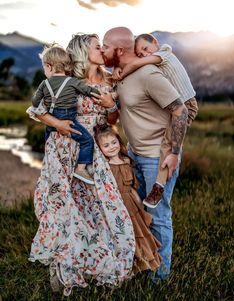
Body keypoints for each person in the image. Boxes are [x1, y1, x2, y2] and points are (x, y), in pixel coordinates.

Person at [27, 33, 135, 296]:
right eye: (96, 46)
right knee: (65, 208)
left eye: (101, 45)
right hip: (66, 150)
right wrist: (59, 125)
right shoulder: (69, 82)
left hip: (94, 151)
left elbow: (111, 121)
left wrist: (111, 106)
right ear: (82, 52)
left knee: (100, 209)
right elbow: (38, 111)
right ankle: (64, 266)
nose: (101, 49)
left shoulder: (110, 80)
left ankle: (96, 263)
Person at [101, 27, 188, 281]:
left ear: (119, 50)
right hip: (135, 156)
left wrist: (173, 152)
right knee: (138, 214)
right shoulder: (124, 76)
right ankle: (144, 265)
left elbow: (180, 110)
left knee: (158, 216)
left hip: (156, 158)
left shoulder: (149, 74)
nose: (103, 50)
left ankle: (160, 279)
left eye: (105, 46)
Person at [112, 33, 198, 207]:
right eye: (140, 52)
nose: (144, 54)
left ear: (155, 42)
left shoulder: (165, 53)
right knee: (167, 134)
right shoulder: (154, 61)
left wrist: (119, 73)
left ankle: (159, 185)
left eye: (145, 48)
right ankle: (158, 185)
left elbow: (137, 63)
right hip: (176, 105)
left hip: (187, 105)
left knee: (169, 140)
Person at [94, 123, 162, 273]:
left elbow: (132, 187)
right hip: (117, 205)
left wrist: (139, 204)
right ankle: (122, 267)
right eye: (106, 145)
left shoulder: (126, 161)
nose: (111, 147)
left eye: (114, 142)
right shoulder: (105, 166)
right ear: (100, 149)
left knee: (137, 231)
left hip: (131, 204)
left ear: (119, 141)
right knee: (122, 234)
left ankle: (140, 264)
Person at [32, 43, 101, 184]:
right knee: (87, 140)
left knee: (50, 145)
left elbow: (35, 102)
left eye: (44, 67)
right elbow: (88, 91)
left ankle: (51, 163)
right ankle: (81, 168)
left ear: (50, 66)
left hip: (51, 121)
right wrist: (102, 95)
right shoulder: (72, 81)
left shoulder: (44, 84)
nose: (44, 70)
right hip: (69, 120)